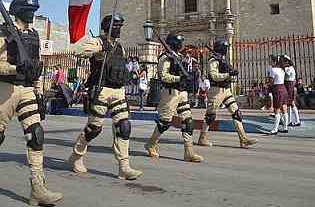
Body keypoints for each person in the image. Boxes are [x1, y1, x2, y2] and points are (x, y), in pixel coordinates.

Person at [0, 0, 62, 206]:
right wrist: (15, 68)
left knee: (36, 133)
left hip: (26, 89)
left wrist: (37, 91)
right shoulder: (4, 33)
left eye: (33, 10)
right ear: (18, 11)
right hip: (5, 88)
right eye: (28, 10)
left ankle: (38, 188)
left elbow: (35, 67)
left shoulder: (34, 35)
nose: (32, 14)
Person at [68, 13, 142, 180]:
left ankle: (124, 166)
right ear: (107, 27)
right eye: (116, 26)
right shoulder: (98, 41)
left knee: (124, 126)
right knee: (94, 128)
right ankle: (76, 155)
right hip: (101, 89)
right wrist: (100, 49)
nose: (119, 29)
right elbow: (78, 51)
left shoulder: (120, 47)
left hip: (118, 90)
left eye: (120, 26)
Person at [145, 34, 203, 163]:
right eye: (179, 42)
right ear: (173, 43)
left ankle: (189, 152)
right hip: (170, 94)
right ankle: (151, 143)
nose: (182, 44)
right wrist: (179, 78)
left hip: (182, 93)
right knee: (164, 123)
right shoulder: (165, 58)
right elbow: (164, 76)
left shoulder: (180, 57)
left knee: (188, 121)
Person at [197, 39, 257, 148]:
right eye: (225, 47)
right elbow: (214, 76)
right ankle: (202, 138)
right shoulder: (213, 60)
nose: (226, 49)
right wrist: (228, 75)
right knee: (210, 116)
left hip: (226, 89)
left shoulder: (222, 59)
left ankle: (243, 138)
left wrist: (232, 74)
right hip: (216, 91)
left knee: (236, 113)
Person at [268, 55, 289, 135]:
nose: (270, 62)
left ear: (275, 62)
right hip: (283, 89)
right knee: (284, 108)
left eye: (271, 61)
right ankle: (285, 127)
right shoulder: (282, 69)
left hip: (277, 90)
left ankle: (275, 129)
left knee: (276, 110)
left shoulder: (273, 70)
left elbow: (271, 82)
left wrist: (270, 85)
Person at [280, 55, 301, 126]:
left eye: (284, 62)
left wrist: (282, 68)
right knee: (289, 103)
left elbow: (286, 74)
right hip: (288, 85)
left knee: (290, 103)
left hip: (289, 86)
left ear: (287, 62)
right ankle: (290, 120)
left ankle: (296, 120)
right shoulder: (289, 68)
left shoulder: (290, 68)